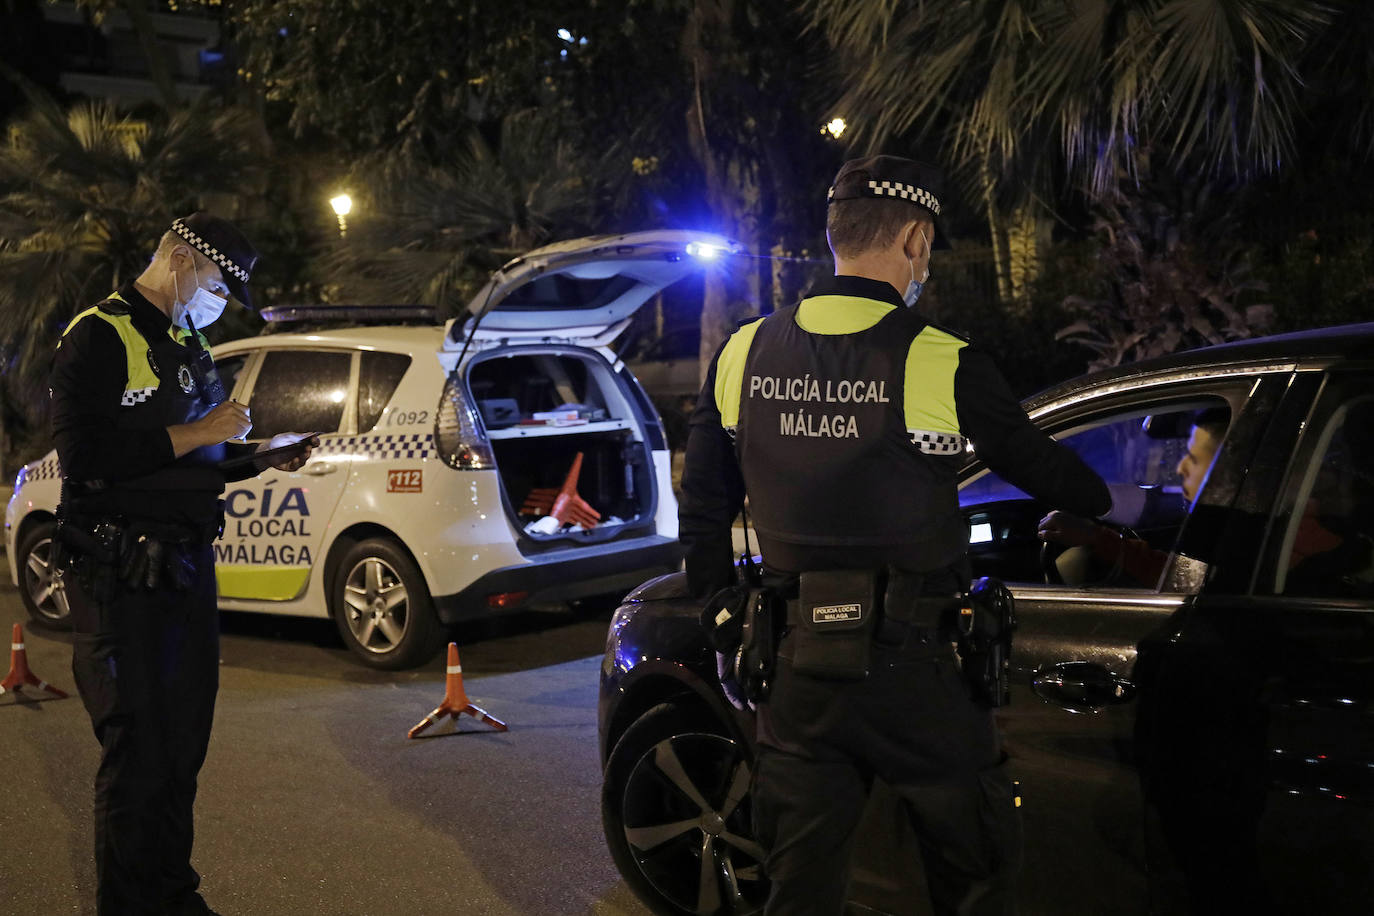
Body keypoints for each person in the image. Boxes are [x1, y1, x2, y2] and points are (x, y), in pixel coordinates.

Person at [679, 155, 1112, 915]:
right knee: (972, 879)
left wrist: (720, 609)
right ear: (915, 241)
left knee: (798, 891)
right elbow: (1063, 482)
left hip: (796, 673)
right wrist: (1127, 499)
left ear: (833, 233)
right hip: (924, 677)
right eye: (931, 251)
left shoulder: (742, 353)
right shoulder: (942, 360)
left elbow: (705, 503)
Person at [51, 212, 317, 915]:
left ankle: (173, 896)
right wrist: (201, 430)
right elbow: (84, 461)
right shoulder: (98, 336)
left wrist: (254, 458)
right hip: (118, 570)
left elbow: (192, 456)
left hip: (186, 564)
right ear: (177, 260)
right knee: (137, 755)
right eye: (219, 286)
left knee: (181, 749)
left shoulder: (189, 339)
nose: (221, 303)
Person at [1036, 407, 1229, 586]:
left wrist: (1097, 538)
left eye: (1194, 459)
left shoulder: (1237, 542)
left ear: (1227, 471)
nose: (1181, 467)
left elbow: (1187, 579)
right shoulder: (1215, 522)